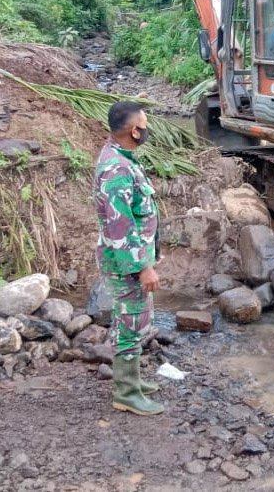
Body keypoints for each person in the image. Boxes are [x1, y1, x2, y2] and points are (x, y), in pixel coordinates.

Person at [93, 101, 164, 416]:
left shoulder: (122, 157)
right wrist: (144, 267)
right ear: (135, 130)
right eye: (144, 123)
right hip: (126, 263)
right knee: (130, 322)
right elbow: (121, 227)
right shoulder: (118, 169)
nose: (146, 128)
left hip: (130, 259)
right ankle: (126, 392)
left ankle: (132, 380)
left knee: (136, 319)